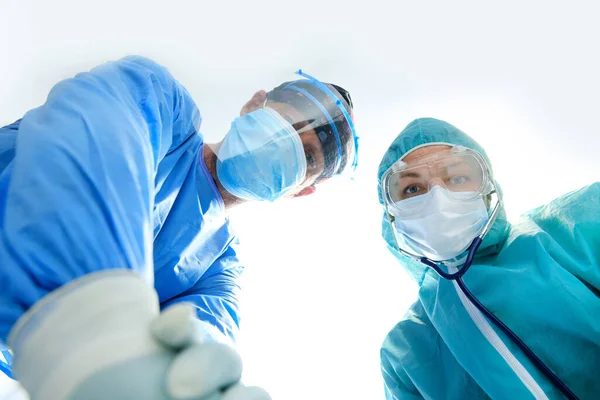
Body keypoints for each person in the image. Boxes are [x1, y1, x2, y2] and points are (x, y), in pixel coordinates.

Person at [0, 55, 357, 399]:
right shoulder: (160, 104)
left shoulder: (217, 276)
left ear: (300, 191)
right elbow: (95, 134)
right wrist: (99, 317)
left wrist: (176, 381)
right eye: (288, 123)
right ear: (253, 105)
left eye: (307, 156)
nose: (288, 143)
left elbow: (198, 346)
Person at [376, 117, 599, 399]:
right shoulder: (403, 353)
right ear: (391, 213)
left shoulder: (576, 228)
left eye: (457, 178)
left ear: (488, 190)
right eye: (412, 189)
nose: (438, 198)